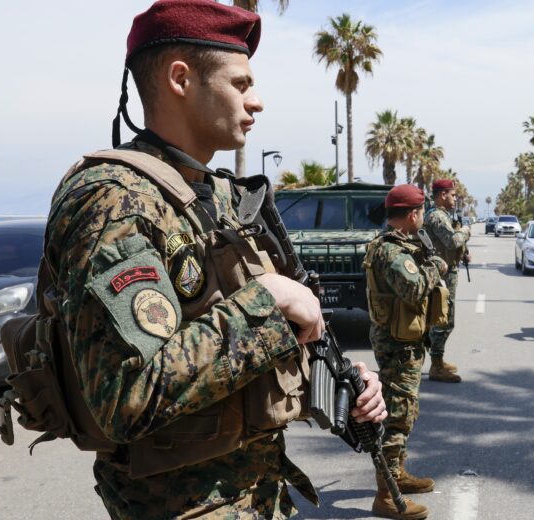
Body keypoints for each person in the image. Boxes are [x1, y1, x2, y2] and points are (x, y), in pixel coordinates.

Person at [41, 1, 386, 517]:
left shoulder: (221, 196)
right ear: (181, 78)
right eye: (240, 84)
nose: (257, 102)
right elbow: (127, 397)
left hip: (259, 493)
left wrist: (346, 388)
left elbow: (254, 353)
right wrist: (266, 301)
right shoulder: (112, 200)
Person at [364, 184, 449, 519]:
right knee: (398, 416)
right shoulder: (391, 251)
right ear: (413, 214)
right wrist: (436, 267)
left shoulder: (398, 245)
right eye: (422, 211)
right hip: (397, 346)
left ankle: (398, 474)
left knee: (406, 409)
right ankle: (387, 495)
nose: (424, 216)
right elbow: (412, 289)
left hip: (403, 341)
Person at [422, 179, 471, 383]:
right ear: (443, 195)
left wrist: (463, 253)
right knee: (443, 320)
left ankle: (438, 361)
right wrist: (465, 233)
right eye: (452, 195)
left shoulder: (443, 216)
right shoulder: (437, 217)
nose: (455, 198)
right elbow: (451, 241)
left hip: (446, 271)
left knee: (442, 319)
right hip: (441, 274)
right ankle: (436, 366)